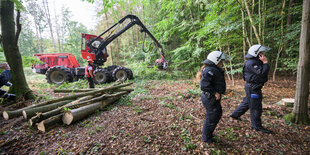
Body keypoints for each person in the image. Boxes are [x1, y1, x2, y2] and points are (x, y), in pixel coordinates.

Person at [229, 44, 272, 134]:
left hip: (253, 87)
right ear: (256, 53)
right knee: (256, 107)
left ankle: (235, 115)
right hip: (253, 88)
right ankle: (257, 126)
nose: (263, 54)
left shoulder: (255, 61)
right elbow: (262, 73)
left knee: (247, 102)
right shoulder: (251, 63)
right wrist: (265, 63)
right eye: (261, 53)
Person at [200, 51, 231, 143]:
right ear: (215, 60)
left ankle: (208, 134)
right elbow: (204, 85)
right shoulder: (210, 70)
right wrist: (214, 92)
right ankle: (206, 138)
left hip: (212, 97)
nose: (222, 63)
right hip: (210, 97)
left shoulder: (214, 69)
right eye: (221, 61)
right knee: (213, 116)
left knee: (216, 114)